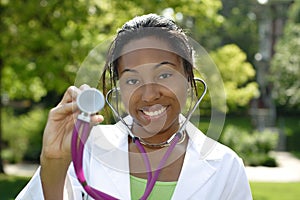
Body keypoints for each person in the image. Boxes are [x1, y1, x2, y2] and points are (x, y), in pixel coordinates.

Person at [16, 14, 252, 200]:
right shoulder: (87, 149)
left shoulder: (225, 166)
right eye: (132, 80)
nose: (148, 94)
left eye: (164, 74)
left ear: (188, 78)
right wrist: (53, 162)